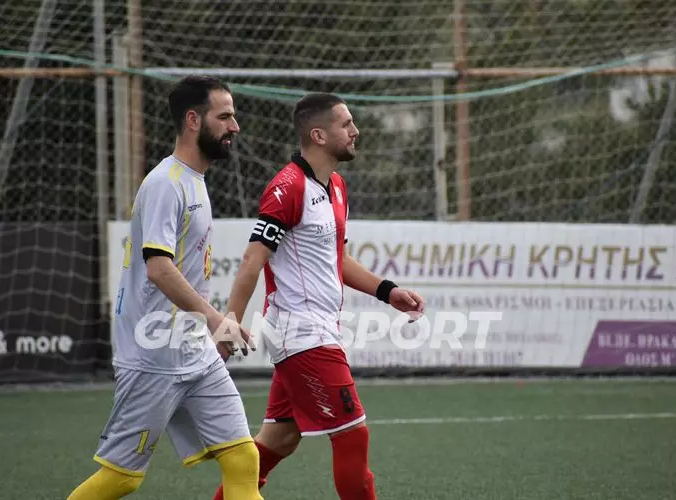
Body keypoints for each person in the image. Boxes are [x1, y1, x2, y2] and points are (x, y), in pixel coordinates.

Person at [212, 93, 425, 500]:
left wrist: (388, 291)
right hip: (302, 335)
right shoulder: (287, 187)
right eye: (346, 124)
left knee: (279, 440)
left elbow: (336, 258)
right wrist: (229, 322)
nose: (355, 131)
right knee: (353, 436)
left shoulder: (336, 186)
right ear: (318, 135)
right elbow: (253, 259)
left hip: (316, 332)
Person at [67, 76, 262, 500]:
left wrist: (207, 331)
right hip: (152, 355)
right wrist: (216, 321)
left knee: (243, 458)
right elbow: (159, 269)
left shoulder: (194, 180)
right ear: (193, 120)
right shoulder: (165, 183)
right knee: (122, 478)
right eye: (224, 116)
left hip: (194, 352)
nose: (235, 126)